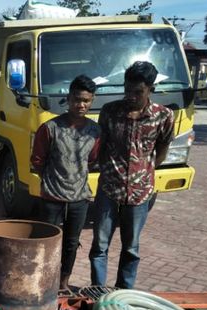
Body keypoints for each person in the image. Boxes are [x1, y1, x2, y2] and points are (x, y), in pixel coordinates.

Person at [89, 61, 174, 289]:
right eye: (127, 89)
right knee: (100, 245)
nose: (131, 96)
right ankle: (97, 291)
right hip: (109, 188)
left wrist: (145, 171)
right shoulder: (110, 112)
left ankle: (124, 293)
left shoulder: (163, 116)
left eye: (138, 91)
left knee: (131, 248)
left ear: (150, 89)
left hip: (140, 192)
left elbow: (163, 148)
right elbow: (102, 145)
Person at [31, 74, 100, 290]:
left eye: (86, 101)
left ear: (91, 101)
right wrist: (52, 179)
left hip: (79, 198)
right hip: (52, 197)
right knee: (47, 242)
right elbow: (37, 160)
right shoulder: (50, 128)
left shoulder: (95, 131)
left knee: (71, 243)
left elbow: (92, 160)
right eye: (77, 99)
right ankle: (43, 281)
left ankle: (63, 282)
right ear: (69, 99)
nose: (81, 105)